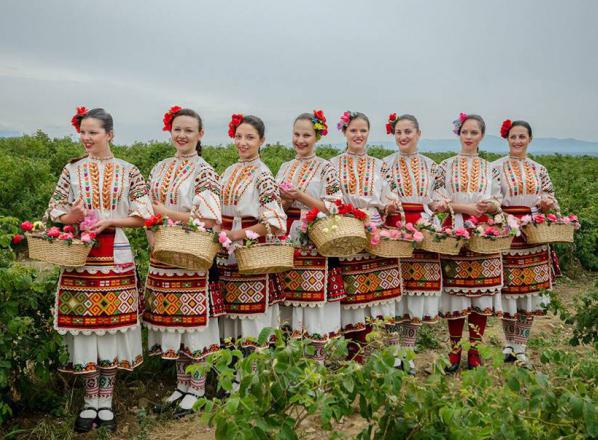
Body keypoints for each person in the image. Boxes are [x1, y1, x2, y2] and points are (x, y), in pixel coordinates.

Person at [47, 107, 153, 432]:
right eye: (83, 132)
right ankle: (88, 400)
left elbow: (145, 214)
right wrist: (70, 218)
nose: (86, 138)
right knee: (86, 328)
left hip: (116, 254)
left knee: (111, 328)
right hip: (80, 256)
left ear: (110, 134)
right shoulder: (72, 170)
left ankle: (105, 401)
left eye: (93, 132)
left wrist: (110, 220)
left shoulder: (128, 170)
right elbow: (53, 209)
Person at [144, 107, 223, 415]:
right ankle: (180, 386)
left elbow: (209, 218)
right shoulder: (160, 167)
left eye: (189, 130)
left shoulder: (204, 171)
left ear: (200, 135)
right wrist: (153, 236)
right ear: (170, 131)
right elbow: (147, 208)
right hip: (163, 253)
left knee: (194, 325)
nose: (182, 135)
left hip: (192, 253)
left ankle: (198, 389)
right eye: (178, 129)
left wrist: (165, 213)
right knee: (175, 325)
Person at [431, 113, 503, 372]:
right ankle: (453, 350)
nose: (469, 137)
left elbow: (498, 199)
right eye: (465, 132)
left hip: (484, 234)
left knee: (480, 294)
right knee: (455, 294)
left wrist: (489, 205)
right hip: (456, 230)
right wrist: (465, 207)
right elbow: (436, 198)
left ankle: (475, 350)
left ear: (481, 135)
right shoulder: (445, 166)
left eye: (474, 132)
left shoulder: (490, 167)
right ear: (458, 135)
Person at [331, 111, 403, 363]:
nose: (358, 135)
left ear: (368, 133)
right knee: (353, 296)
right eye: (353, 130)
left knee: (375, 293)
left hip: (375, 229)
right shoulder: (332, 164)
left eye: (363, 130)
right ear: (344, 133)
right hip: (348, 230)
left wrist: (389, 206)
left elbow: (388, 195)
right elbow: (331, 199)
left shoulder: (380, 165)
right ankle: (355, 354)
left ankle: (384, 353)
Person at [276, 110, 345, 362]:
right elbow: (278, 206)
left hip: (315, 237)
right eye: (296, 134)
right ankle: (292, 359)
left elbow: (334, 205)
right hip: (288, 236)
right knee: (290, 296)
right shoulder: (285, 166)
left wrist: (300, 196)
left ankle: (315, 363)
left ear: (317, 137)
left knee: (314, 300)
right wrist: (283, 201)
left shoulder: (326, 167)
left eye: (306, 135)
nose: (300, 140)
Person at [218, 114, 287, 351]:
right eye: (238, 136)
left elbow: (276, 223)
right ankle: (235, 374)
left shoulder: (264, 175)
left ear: (262, 141)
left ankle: (256, 375)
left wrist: (236, 235)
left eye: (250, 137)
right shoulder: (228, 171)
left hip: (250, 253)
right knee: (231, 316)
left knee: (252, 318)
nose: (242, 142)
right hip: (226, 254)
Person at [492, 119, 558, 368]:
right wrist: (502, 216)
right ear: (507, 139)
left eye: (522, 137)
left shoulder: (539, 169)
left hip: (533, 235)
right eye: (513, 137)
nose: (517, 141)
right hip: (508, 234)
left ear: (530, 139)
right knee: (509, 292)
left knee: (529, 293)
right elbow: (491, 199)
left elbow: (550, 195)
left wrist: (547, 203)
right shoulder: (495, 168)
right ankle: (508, 342)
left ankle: (521, 346)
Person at [382, 113, 442, 374]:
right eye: (399, 132)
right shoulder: (383, 165)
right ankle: (394, 351)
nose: (403, 137)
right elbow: (378, 193)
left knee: (416, 292)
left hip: (422, 229)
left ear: (418, 133)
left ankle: (408, 350)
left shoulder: (432, 166)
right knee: (394, 293)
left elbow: (439, 196)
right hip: (393, 227)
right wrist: (387, 205)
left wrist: (439, 205)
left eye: (408, 131)